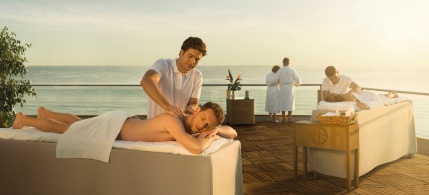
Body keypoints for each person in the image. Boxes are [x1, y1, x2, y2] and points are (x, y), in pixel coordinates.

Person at [12, 102, 237, 154]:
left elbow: (233, 132)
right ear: (198, 110)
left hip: (120, 122)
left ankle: (46, 113)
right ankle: (25, 120)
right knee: (69, 130)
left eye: (208, 125)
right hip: (115, 127)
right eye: (204, 118)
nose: (203, 125)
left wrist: (217, 129)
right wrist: (212, 136)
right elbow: (196, 148)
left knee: (79, 124)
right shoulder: (175, 121)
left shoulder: (191, 120)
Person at [141, 37, 207, 119]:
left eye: (197, 59)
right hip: (155, 128)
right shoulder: (164, 65)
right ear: (181, 52)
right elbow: (146, 81)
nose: (192, 62)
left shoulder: (197, 76)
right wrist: (168, 107)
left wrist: (191, 108)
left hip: (178, 127)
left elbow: (194, 103)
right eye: (190, 56)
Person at [277, 58, 301, 122]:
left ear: (283, 62)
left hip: (282, 88)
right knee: (290, 103)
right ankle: (289, 117)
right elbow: (298, 79)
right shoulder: (292, 70)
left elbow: (276, 79)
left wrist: (278, 84)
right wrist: (297, 84)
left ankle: (284, 118)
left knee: (283, 103)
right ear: (289, 62)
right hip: (290, 88)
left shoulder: (280, 71)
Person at [325, 91, 399, 110]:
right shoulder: (344, 95)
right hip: (367, 95)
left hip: (367, 96)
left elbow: (363, 106)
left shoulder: (347, 101)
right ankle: (391, 93)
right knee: (382, 97)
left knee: (384, 98)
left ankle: (393, 94)